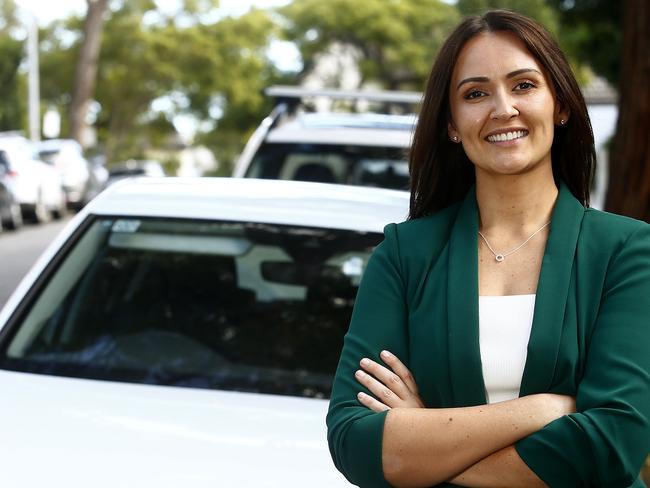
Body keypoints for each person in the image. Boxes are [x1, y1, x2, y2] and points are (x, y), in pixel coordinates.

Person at [326, 9, 650, 488]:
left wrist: (425, 447)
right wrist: (542, 410)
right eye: (475, 94)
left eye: (523, 85)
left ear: (560, 104)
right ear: (452, 124)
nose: (503, 109)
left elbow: (609, 444)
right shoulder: (405, 254)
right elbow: (354, 440)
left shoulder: (626, 250)